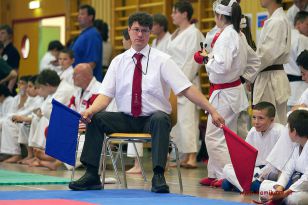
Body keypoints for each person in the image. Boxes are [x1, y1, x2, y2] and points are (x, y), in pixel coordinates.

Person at [68, 12, 224, 193]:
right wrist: (90, 111)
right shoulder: (118, 62)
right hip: (126, 119)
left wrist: (212, 110)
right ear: (129, 31)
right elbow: (105, 95)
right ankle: (91, 174)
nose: (140, 34)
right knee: (96, 118)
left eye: (144, 30)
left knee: (160, 119)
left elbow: (186, 88)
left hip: (152, 120)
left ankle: (158, 175)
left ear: (150, 33)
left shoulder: (163, 60)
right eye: (136, 30)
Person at [198, 0, 249, 188]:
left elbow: (221, 65)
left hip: (226, 92)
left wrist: (205, 58)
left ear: (220, 16)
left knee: (213, 136)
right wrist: (210, 57)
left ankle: (226, 175)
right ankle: (214, 173)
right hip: (230, 90)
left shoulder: (228, 36)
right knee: (225, 136)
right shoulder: (236, 33)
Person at [167, 0, 204, 169]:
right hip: (173, 81)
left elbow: (193, 59)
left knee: (188, 119)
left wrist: (182, 82)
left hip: (186, 81)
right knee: (178, 121)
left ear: (184, 14)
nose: (172, 15)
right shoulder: (174, 33)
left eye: (175, 12)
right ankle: (181, 154)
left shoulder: (193, 33)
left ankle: (192, 156)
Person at [222, 102, 285, 192]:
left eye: (261, 118)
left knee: (226, 184)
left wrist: (258, 174)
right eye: (254, 117)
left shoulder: (280, 131)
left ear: (272, 120)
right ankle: (250, 186)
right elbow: (246, 155)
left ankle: (245, 185)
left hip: (271, 171)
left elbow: (280, 161)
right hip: (255, 170)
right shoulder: (252, 131)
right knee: (227, 168)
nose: (256, 122)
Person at [252, 0, 291, 125]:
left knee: (271, 127)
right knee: (269, 126)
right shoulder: (275, 19)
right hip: (269, 75)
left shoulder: (277, 21)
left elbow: (266, 55)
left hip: (271, 78)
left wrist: (248, 74)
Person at [259, 110, 308, 205]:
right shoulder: (298, 146)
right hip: (296, 186)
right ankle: (280, 198)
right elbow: (288, 170)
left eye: (288, 127)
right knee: (264, 188)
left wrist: (286, 193)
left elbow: (307, 179)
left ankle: (282, 199)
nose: (287, 130)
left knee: (294, 199)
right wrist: (279, 189)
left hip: (303, 187)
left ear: (294, 132)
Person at [1, 75, 43, 163]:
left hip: (27, 121)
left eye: (22, 83)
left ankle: (18, 154)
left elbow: (29, 112)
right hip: (22, 120)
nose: (20, 86)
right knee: (6, 122)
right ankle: (10, 154)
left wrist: (19, 117)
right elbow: (11, 113)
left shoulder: (37, 99)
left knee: (12, 124)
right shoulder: (17, 98)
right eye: (18, 83)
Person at [71, 5, 103, 82]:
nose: (79, 17)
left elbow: (92, 63)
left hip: (87, 83)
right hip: (80, 81)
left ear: (90, 17)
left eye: (82, 14)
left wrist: (80, 78)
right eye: (79, 14)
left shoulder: (92, 35)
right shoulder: (83, 35)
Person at [284, 12, 308, 110]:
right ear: (298, 23)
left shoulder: (284, 37)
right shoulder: (302, 39)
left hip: (286, 89)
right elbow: (304, 63)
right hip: (300, 88)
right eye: (307, 24)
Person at [0, 24, 20, 93]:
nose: (0, 35)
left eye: (3, 33)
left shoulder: (13, 51)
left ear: (9, 35)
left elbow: (15, 72)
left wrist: (9, 90)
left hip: (7, 87)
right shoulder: (2, 50)